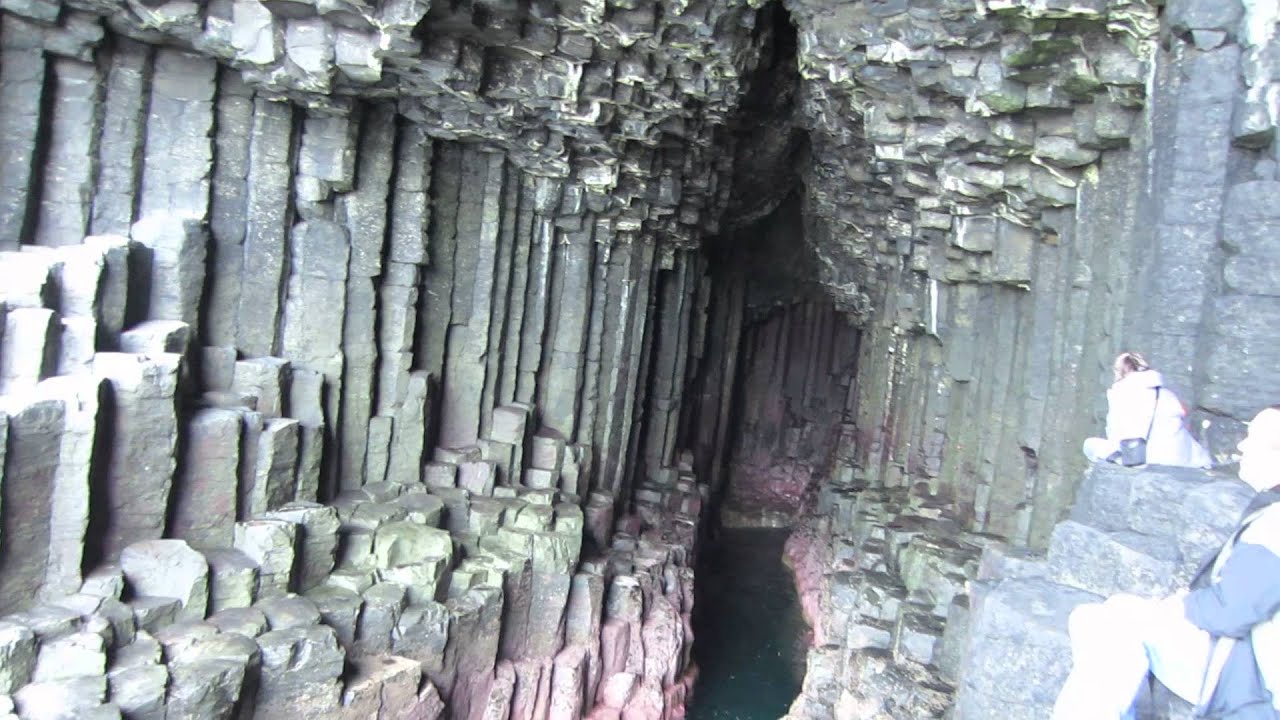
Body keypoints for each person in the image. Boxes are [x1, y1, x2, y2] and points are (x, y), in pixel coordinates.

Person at [1053, 406, 1280, 719]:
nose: (1241, 446)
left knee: (1102, 624)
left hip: (1248, 685)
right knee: (1113, 611)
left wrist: (1181, 606)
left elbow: (1231, 611)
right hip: (1243, 664)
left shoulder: (1276, 525)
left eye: (1253, 438)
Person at [1082, 351, 1212, 468]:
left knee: (1090, 445)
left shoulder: (1122, 394)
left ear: (1120, 371)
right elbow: (1183, 416)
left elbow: (1117, 435)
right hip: (1179, 457)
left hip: (1147, 458)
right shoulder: (1166, 393)